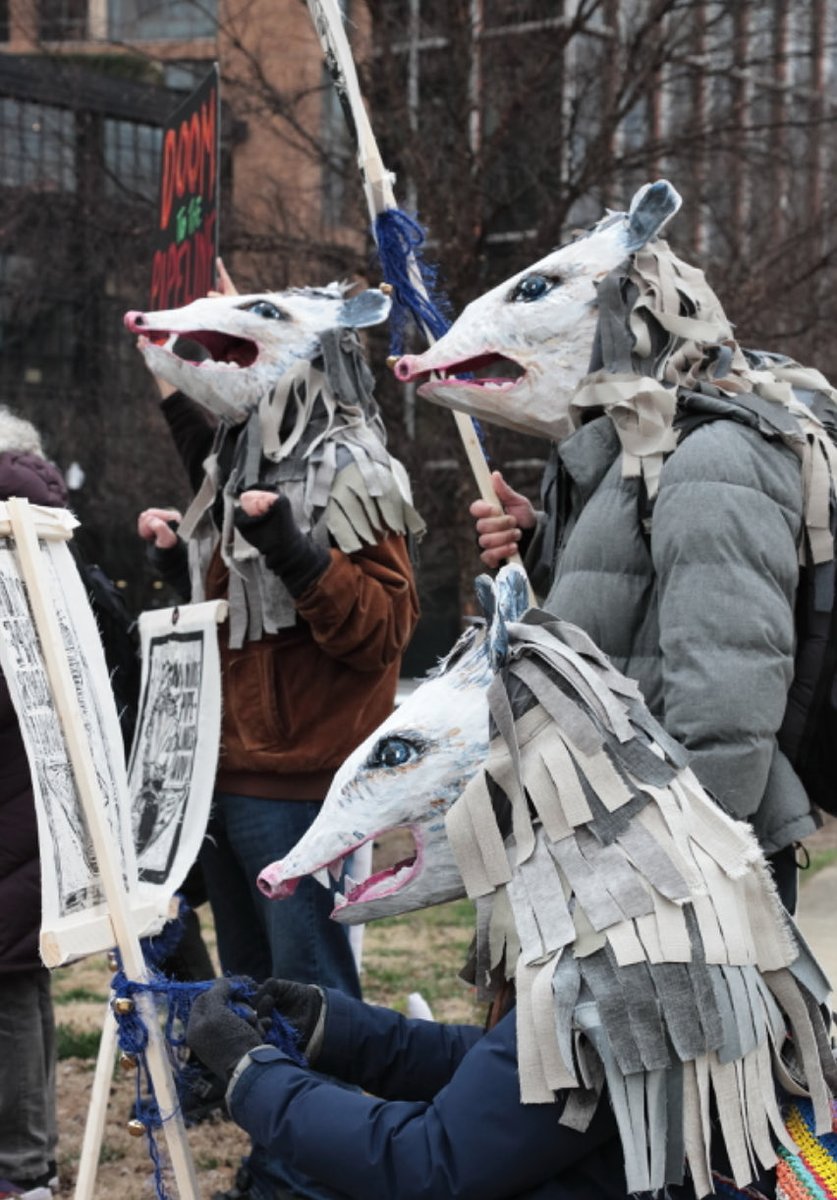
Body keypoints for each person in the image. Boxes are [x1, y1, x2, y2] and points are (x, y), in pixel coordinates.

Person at [136, 283, 421, 1199]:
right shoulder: (231, 467)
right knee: (253, 1001)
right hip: (227, 780)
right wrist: (172, 559)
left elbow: (380, 630)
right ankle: (280, 1169)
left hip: (303, 791)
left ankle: (326, 1176)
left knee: (312, 999)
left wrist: (299, 553)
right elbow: (225, 620)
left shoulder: (351, 467)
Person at [0, 412, 67, 1200]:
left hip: (12, 797)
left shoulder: (13, 531)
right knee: (20, 978)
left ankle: (22, 1170)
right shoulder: (35, 524)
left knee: (12, 982)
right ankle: (28, 1164)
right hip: (28, 793)